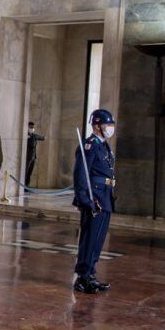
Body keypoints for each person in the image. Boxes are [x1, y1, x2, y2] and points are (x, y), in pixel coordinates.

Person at [72, 109, 116, 294]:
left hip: (105, 196)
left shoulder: (104, 146)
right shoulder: (89, 145)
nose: (110, 128)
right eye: (107, 125)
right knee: (90, 238)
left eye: (111, 125)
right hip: (94, 198)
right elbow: (80, 174)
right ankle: (83, 277)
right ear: (97, 126)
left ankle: (90, 274)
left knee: (98, 239)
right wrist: (84, 199)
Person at [25, 121, 45, 186]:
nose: (32, 128)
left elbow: (41, 138)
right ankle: (23, 186)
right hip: (28, 157)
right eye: (31, 127)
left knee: (29, 173)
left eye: (33, 127)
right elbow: (31, 144)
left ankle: (27, 186)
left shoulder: (33, 135)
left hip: (33, 157)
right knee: (25, 172)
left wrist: (44, 137)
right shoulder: (26, 135)